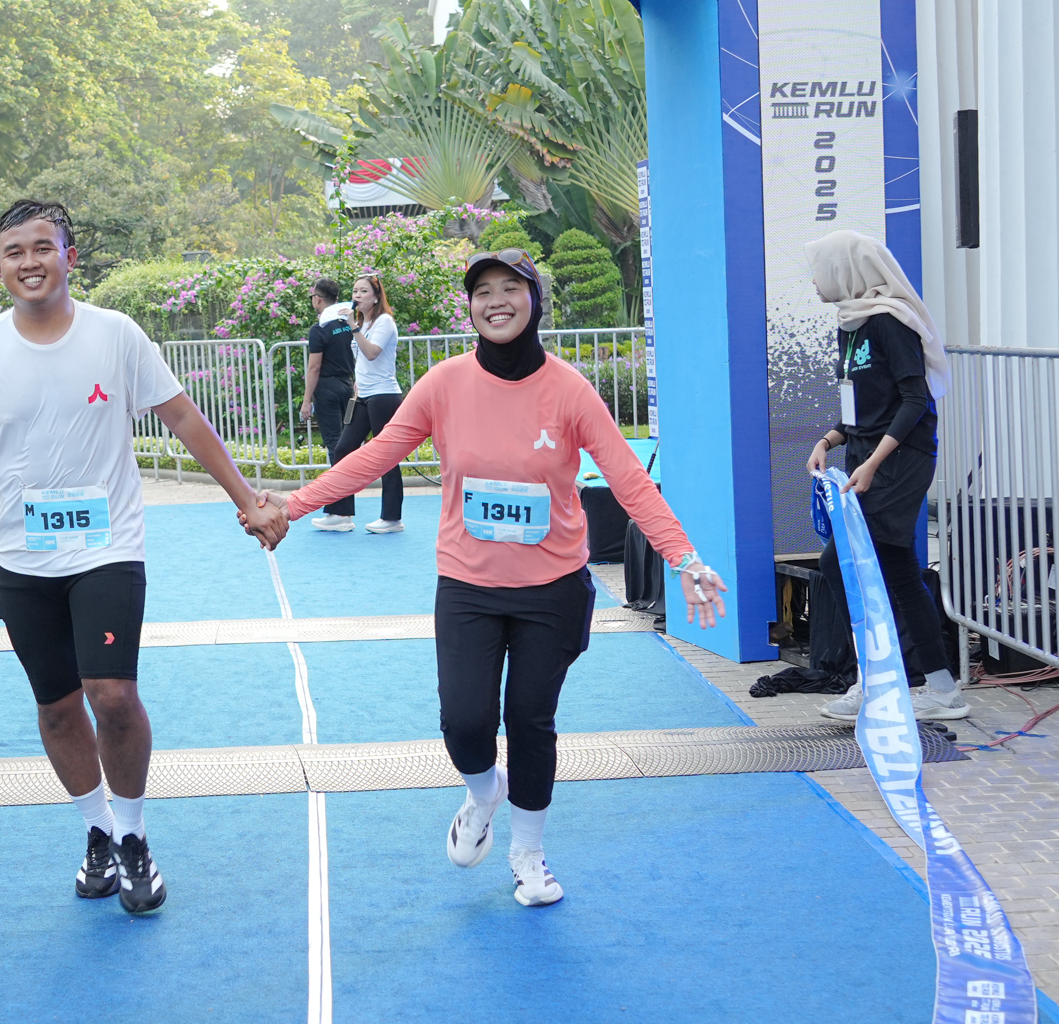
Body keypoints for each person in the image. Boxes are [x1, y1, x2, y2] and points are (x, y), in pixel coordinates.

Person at [258, 248, 729, 908]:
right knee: (464, 721)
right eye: (483, 291)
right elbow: (376, 455)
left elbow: (628, 478)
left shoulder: (569, 390)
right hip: (469, 586)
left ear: (534, 299)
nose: (496, 301)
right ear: (471, 306)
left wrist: (684, 559)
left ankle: (528, 853)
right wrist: (295, 504)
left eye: (511, 287)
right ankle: (484, 794)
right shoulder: (445, 384)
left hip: (552, 590)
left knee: (530, 720)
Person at [0, 199, 288, 916]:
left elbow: (181, 416)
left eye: (43, 247)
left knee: (111, 694)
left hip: (108, 547)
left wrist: (247, 501)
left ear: (69, 257)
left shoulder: (116, 334)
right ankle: (98, 830)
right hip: (21, 559)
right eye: (15, 251)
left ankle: (134, 835)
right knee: (56, 708)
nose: (30, 262)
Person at [801, 230, 969, 724]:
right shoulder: (851, 324)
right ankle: (941, 688)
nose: (814, 281)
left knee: (840, 563)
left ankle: (875, 681)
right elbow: (861, 406)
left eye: (819, 270)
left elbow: (915, 401)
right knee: (897, 569)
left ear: (845, 270)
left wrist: (873, 463)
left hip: (899, 462)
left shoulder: (891, 322)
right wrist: (828, 440)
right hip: (867, 458)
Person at [323, 273, 405, 533]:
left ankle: (392, 518)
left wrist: (354, 327)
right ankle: (340, 513)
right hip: (363, 396)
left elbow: (371, 353)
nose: (357, 296)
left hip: (384, 396)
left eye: (364, 291)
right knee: (343, 449)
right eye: (355, 291)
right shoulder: (362, 323)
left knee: (385, 457)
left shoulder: (384, 322)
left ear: (376, 296)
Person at [299, 278, 356, 531]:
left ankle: (340, 512)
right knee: (344, 447)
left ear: (318, 299)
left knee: (335, 447)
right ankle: (342, 510)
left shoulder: (319, 328)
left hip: (328, 389)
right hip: (346, 385)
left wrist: (306, 400)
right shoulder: (346, 323)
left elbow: (314, 367)